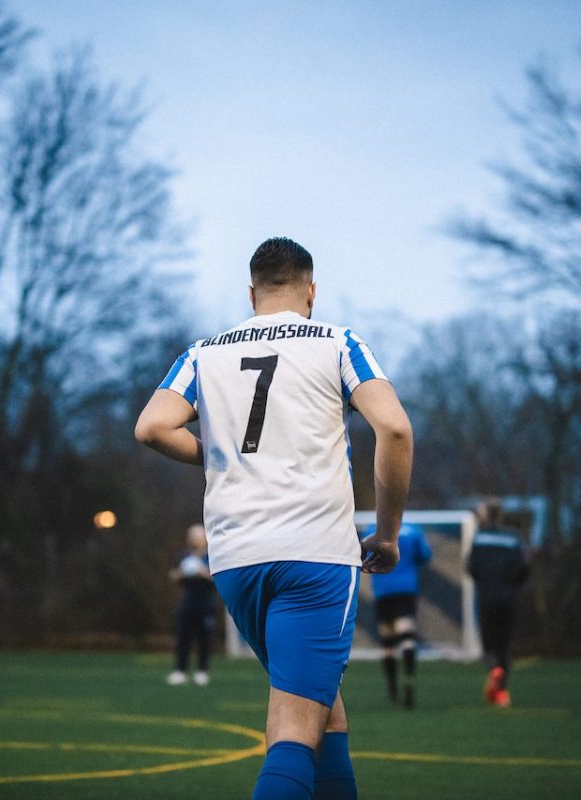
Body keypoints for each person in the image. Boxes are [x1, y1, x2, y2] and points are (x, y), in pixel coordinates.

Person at [135, 237, 413, 800]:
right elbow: (396, 429)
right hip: (314, 556)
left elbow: (151, 427)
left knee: (323, 713)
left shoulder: (204, 351)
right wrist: (385, 534)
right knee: (293, 727)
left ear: (251, 292)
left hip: (236, 561)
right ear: (311, 291)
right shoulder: (337, 341)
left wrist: (217, 457)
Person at [360, 520, 431, 708]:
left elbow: (362, 555)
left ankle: (392, 688)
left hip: (383, 589)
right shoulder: (413, 530)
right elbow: (424, 555)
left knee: (387, 638)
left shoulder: (370, 530)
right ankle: (409, 678)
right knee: (406, 632)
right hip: (407, 587)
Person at [467, 498, 528, 708]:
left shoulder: (479, 537)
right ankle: (502, 693)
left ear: (486, 514)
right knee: (504, 644)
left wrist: (485, 581)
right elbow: (523, 568)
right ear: (501, 514)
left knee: (489, 643)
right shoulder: (513, 537)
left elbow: (471, 568)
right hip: (508, 598)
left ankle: (494, 668)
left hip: (486, 597)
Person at [167, 523, 217, 687]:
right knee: (183, 638)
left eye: (199, 536)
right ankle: (180, 671)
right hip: (187, 603)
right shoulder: (184, 557)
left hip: (206, 603)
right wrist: (183, 572)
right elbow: (172, 576)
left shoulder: (212, 557)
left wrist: (203, 572)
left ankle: (202, 671)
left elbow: (218, 578)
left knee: (204, 639)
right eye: (193, 536)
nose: (196, 539)